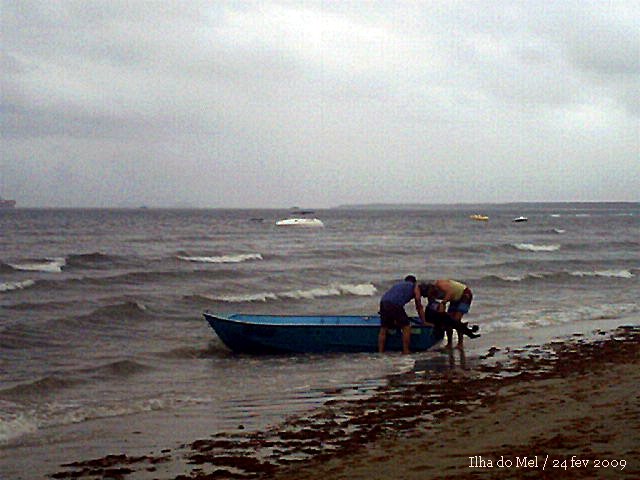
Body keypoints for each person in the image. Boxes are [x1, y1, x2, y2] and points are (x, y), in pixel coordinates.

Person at [378, 275, 429, 354]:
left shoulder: (398, 285)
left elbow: (391, 297)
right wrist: (424, 321)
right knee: (406, 327)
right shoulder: (415, 286)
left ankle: (380, 351)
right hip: (395, 304)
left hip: (383, 302)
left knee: (384, 328)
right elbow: (419, 305)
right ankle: (406, 350)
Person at [426, 279, 477, 349]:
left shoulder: (440, 284)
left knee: (456, 320)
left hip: (465, 295)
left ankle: (460, 344)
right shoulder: (431, 295)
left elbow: (450, 292)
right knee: (448, 321)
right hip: (454, 299)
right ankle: (449, 343)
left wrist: (443, 303)